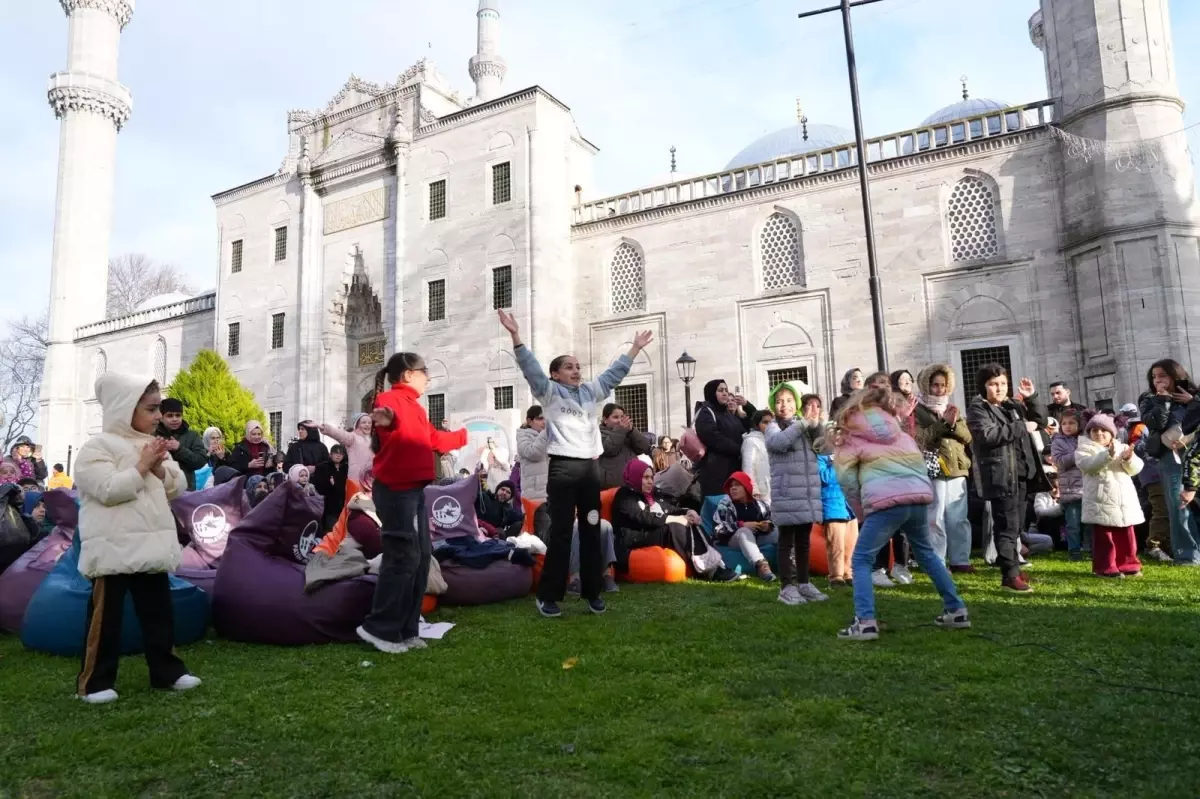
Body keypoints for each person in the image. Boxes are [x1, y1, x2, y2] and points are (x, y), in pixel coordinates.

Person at [501, 307, 652, 618]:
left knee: (592, 528)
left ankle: (592, 593)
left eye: (578, 366)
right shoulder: (549, 392)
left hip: (589, 471)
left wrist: (634, 349)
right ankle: (549, 596)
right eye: (568, 367)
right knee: (561, 533)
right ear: (556, 374)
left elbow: (613, 375)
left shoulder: (589, 392)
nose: (576, 370)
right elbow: (530, 369)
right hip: (563, 470)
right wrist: (516, 336)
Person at [73, 373, 201, 703]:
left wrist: (159, 468)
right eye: (151, 409)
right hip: (113, 546)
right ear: (125, 408)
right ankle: (95, 683)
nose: (158, 416)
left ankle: (167, 672)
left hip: (150, 546)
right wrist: (142, 466)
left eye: (159, 409)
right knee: (105, 619)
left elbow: (177, 487)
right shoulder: (96, 447)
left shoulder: (154, 443)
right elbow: (107, 490)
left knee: (159, 614)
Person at [833, 387, 970, 641]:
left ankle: (865, 622)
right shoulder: (901, 433)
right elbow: (919, 465)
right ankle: (956, 609)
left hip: (885, 504)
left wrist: (862, 513)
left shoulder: (851, 436)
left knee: (861, 559)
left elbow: (846, 480)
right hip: (917, 500)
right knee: (927, 554)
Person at [358, 352, 467, 654]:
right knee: (402, 557)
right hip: (395, 491)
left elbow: (433, 439)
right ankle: (379, 629)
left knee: (421, 558)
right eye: (424, 371)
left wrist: (463, 435)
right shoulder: (390, 402)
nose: (428, 377)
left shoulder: (416, 407)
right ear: (407, 374)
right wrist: (388, 423)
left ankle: (406, 630)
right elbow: (387, 423)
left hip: (414, 491)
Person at [966, 364, 1049, 593]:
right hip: (1001, 476)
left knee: (1016, 527)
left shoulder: (1011, 405)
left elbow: (1040, 421)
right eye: (993, 384)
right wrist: (1022, 426)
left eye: (1003, 383)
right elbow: (988, 435)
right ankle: (1009, 576)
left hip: (1022, 474)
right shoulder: (977, 409)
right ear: (983, 386)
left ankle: (1013, 567)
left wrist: (1032, 398)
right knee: (1006, 526)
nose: (999, 388)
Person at [611, 459, 736, 581]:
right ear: (636, 477)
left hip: (653, 530)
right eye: (645, 478)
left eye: (651, 477)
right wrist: (675, 519)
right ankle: (709, 571)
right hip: (635, 536)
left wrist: (687, 512)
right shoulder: (625, 495)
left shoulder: (652, 494)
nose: (650, 482)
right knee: (674, 527)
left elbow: (669, 508)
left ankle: (719, 564)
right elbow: (643, 517)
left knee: (693, 523)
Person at [765, 384, 827, 605]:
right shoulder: (773, 427)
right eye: (780, 401)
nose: (785, 405)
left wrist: (816, 423)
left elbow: (824, 447)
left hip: (806, 494)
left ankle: (803, 583)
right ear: (773, 405)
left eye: (790, 401)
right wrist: (802, 423)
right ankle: (786, 587)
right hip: (787, 494)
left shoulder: (803, 427)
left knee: (804, 541)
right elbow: (778, 442)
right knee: (786, 542)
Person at [914, 364, 975, 573]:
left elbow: (967, 437)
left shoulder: (952, 408)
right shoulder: (918, 410)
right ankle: (937, 562)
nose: (939, 389)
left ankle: (960, 560)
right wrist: (943, 425)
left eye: (943, 385)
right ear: (926, 386)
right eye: (935, 385)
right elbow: (920, 438)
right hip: (935, 469)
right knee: (935, 517)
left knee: (959, 517)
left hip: (957, 468)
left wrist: (953, 422)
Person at [1138, 360, 1200, 565]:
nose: (1158, 380)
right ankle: (1187, 555)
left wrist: (1194, 402)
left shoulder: (1193, 394)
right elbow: (1155, 423)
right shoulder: (1149, 399)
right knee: (1178, 503)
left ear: (1175, 375)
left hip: (1196, 454)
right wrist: (1163, 401)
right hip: (1170, 457)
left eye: (1162, 375)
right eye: (1154, 377)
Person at [1077, 414, 1144, 577]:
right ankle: (1105, 566)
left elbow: (1136, 469)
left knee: (1126, 535)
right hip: (1101, 500)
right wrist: (1107, 455)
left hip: (1123, 500)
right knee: (1105, 538)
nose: (1099, 433)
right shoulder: (1084, 449)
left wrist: (1128, 459)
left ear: (1112, 433)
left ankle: (1128, 564)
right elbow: (1088, 465)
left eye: (1103, 430)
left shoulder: (1122, 447)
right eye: (1094, 430)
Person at [695, 380, 758, 532]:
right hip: (716, 473)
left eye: (726, 390)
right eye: (720, 390)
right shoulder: (706, 413)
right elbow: (712, 436)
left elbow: (751, 425)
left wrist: (748, 406)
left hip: (732, 471)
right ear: (711, 393)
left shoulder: (727, 414)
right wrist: (738, 449)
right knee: (718, 512)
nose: (724, 393)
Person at [712, 470, 776, 582]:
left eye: (737, 485)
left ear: (746, 486)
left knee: (779, 531)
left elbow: (771, 519)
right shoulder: (725, 504)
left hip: (758, 537)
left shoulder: (759, 504)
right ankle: (761, 566)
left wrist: (767, 526)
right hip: (733, 540)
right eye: (731, 486)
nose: (733, 488)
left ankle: (793, 563)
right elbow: (718, 530)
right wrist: (741, 525)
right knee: (744, 532)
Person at [815, 430, 857, 588]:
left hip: (849, 507)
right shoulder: (821, 457)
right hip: (832, 505)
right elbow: (824, 477)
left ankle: (848, 573)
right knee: (836, 544)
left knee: (850, 543)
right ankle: (836, 577)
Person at [1050, 410, 1089, 560]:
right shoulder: (1058, 441)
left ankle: (1089, 549)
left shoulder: (1085, 439)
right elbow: (1059, 461)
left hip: (1086, 487)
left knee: (1089, 522)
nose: (1067, 426)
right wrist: (1078, 454)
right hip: (1070, 489)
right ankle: (1074, 551)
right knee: (1073, 523)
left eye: (1071, 423)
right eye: (1064, 423)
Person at [154, 398, 207, 492]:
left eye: (178, 415)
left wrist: (179, 449)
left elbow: (201, 461)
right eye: (170, 416)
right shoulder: (153, 435)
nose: (175, 419)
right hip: (160, 490)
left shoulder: (192, 435)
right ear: (161, 418)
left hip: (185, 490)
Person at [597, 403, 652, 490]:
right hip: (612, 487)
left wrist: (632, 431)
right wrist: (621, 430)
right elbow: (609, 449)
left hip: (633, 484)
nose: (619, 420)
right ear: (605, 420)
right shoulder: (598, 434)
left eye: (622, 417)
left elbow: (644, 447)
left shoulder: (627, 433)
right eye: (615, 417)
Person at [516, 405, 550, 539]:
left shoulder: (546, 435)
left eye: (546, 419)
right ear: (529, 421)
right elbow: (533, 452)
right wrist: (546, 432)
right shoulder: (523, 436)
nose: (544, 422)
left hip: (550, 494)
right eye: (540, 418)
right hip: (535, 496)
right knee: (541, 535)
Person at [319, 414, 374, 485]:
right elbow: (340, 434)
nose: (367, 425)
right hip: (356, 480)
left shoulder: (373, 439)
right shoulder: (352, 437)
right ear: (357, 424)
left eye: (369, 423)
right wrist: (325, 428)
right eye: (364, 422)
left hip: (371, 480)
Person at [312, 445, 349, 531]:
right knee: (331, 530)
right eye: (336, 453)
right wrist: (330, 484)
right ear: (330, 454)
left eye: (341, 453)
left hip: (344, 506)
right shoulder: (322, 467)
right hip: (329, 506)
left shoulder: (347, 468)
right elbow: (318, 486)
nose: (338, 455)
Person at [741, 410, 773, 504]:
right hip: (761, 493)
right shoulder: (751, 441)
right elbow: (748, 468)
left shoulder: (772, 441)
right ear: (757, 424)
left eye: (771, 422)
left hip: (774, 490)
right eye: (765, 422)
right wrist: (753, 489)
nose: (769, 425)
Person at [890, 370, 918, 437]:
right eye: (903, 379)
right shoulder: (891, 402)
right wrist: (904, 416)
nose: (908, 382)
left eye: (910, 379)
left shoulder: (915, 401)